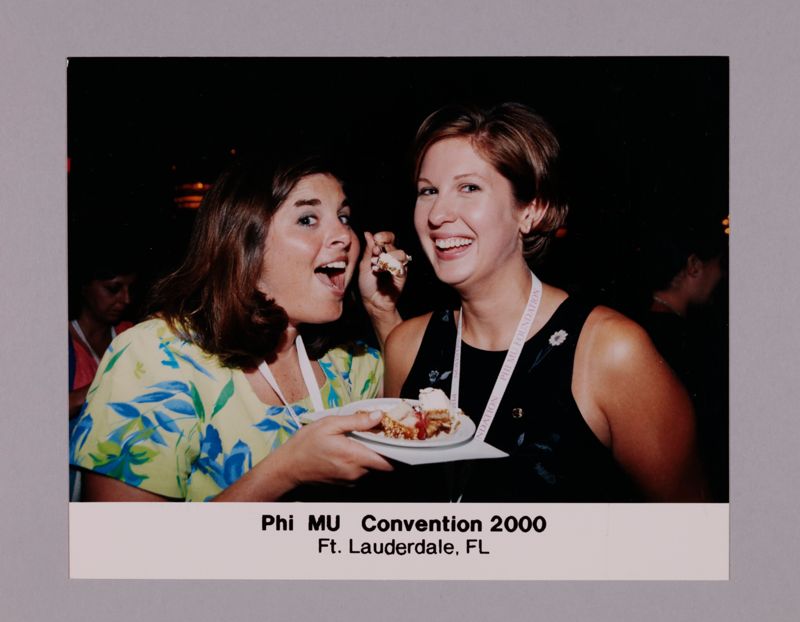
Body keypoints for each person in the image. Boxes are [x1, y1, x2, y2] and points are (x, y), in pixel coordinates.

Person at [383, 103, 706, 502]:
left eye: (469, 188)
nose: (438, 214)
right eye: (428, 190)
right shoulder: (406, 346)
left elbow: (695, 533)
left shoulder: (610, 352)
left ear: (531, 211)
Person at [69, 153, 409, 501]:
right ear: (246, 243)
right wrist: (285, 471)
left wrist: (381, 309)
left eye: (343, 217)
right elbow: (117, 549)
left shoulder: (348, 363)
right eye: (308, 219)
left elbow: (418, 427)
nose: (345, 235)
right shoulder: (155, 358)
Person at [638, 221, 728, 500]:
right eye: (719, 266)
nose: (721, 277)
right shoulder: (692, 342)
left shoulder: (637, 330)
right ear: (694, 266)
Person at [68, 250, 138, 500]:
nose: (125, 299)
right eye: (113, 289)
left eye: (130, 289)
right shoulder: (57, 341)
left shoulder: (128, 335)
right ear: (84, 287)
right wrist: (100, 388)